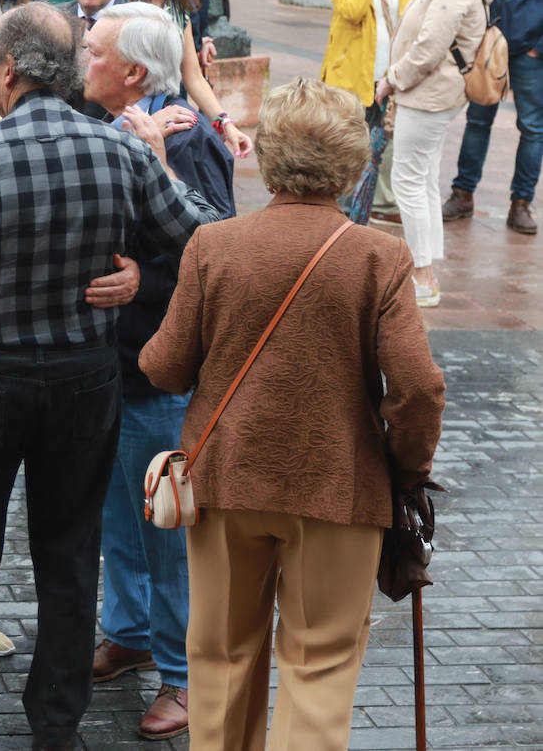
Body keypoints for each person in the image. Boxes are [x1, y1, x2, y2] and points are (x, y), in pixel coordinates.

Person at [0, 2, 221, 751]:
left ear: (9, 68)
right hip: (84, 379)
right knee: (70, 555)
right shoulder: (123, 153)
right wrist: (144, 268)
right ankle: (55, 725)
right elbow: (206, 237)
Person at [140, 77, 445, 751]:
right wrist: (407, 468)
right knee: (320, 666)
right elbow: (420, 388)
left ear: (267, 156)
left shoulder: (214, 246)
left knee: (219, 660)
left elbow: (164, 367)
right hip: (341, 488)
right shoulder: (380, 257)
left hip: (226, 482)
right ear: (353, 161)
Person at [82, 1, 236, 742]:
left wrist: (143, 280)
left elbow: (221, 256)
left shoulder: (189, 136)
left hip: (162, 370)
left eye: (94, 51)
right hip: (114, 361)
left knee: (167, 526)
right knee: (119, 512)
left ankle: (184, 675)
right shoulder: (100, 126)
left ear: (135, 71)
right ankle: (130, 630)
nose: (82, 59)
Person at [376, 0, 499, 306]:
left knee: (410, 182)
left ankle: (423, 276)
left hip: (428, 95)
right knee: (423, 180)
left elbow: (429, 48)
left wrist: (392, 81)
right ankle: (427, 270)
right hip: (434, 94)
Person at [444, 0, 543, 236]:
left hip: (529, 49)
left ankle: (521, 203)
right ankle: (462, 193)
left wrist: (538, 49)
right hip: (489, 39)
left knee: (532, 128)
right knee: (477, 120)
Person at [320, 0, 422, 226]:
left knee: (379, 148)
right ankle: (338, 218)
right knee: (348, 149)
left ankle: (363, 217)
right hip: (352, 75)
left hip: (392, 75)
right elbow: (350, 10)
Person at [121, 0, 252, 158]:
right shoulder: (125, 8)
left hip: (172, 114)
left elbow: (193, 77)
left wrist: (226, 124)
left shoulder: (179, 10)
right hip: (127, 120)